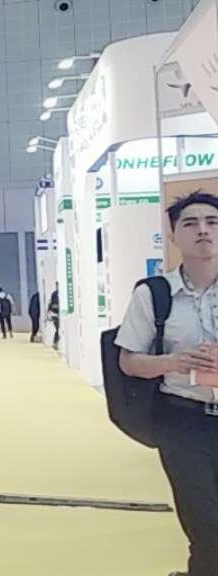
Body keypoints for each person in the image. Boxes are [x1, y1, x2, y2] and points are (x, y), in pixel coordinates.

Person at [116, 191, 218, 576]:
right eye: (190, 223)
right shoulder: (154, 294)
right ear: (174, 236)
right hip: (183, 421)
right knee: (206, 528)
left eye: (212, 222)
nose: (203, 230)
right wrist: (172, 362)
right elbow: (128, 362)